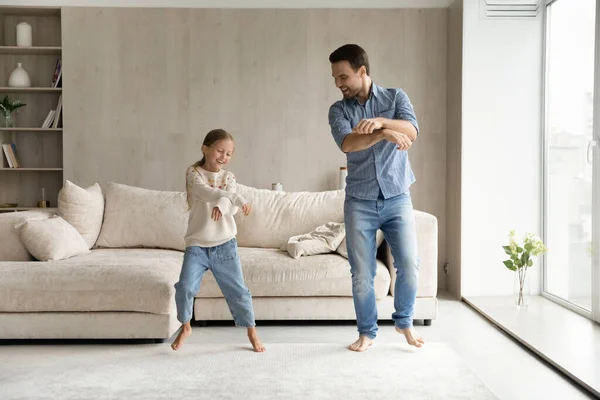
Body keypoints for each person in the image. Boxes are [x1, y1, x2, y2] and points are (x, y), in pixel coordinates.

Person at [328, 44, 425, 352]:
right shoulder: (338, 110)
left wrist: (383, 122)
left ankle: (404, 322)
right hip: (359, 200)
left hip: (397, 196)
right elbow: (348, 144)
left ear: (362, 71)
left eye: (343, 76)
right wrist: (383, 135)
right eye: (335, 77)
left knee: (408, 263)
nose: (338, 83)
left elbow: (411, 129)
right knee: (362, 273)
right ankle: (367, 331)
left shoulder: (396, 97)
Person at [171, 128, 266, 352]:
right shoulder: (193, 173)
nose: (223, 157)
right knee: (184, 287)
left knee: (238, 291)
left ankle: (252, 332)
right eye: (219, 151)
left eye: (229, 154)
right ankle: (185, 326)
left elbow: (229, 205)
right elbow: (205, 192)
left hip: (225, 245)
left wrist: (223, 206)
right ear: (205, 149)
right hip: (197, 245)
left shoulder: (229, 177)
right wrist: (234, 198)